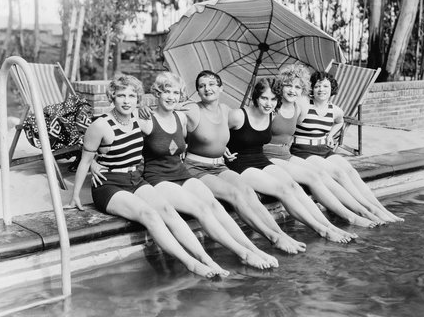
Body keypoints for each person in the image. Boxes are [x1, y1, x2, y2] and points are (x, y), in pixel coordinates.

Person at [66, 74, 228, 278]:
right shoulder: (101, 125)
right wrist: (76, 194)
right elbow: (85, 157)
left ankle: (206, 259)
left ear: (138, 99)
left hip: (135, 178)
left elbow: (166, 115)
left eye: (132, 96)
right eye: (121, 95)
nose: (126, 101)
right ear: (112, 97)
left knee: (168, 210)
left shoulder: (139, 118)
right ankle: (191, 264)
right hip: (109, 185)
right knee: (149, 215)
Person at [135, 72, 277, 269]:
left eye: (175, 92)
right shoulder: (146, 119)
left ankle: (253, 248)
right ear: (157, 93)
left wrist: (222, 146)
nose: (171, 96)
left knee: (215, 206)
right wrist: (96, 163)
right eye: (166, 92)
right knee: (201, 209)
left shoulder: (181, 118)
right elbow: (118, 132)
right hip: (158, 177)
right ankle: (241, 253)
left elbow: (202, 133)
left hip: (181, 173)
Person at [179, 70, 306, 254]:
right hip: (196, 167)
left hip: (220, 165)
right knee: (235, 194)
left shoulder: (225, 110)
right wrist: (146, 109)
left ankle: (280, 234)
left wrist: (224, 147)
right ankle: (271, 238)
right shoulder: (193, 108)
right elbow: (171, 108)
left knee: (248, 192)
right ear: (197, 91)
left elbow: (226, 135)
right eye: (202, 85)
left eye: (212, 84)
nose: (207, 88)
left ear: (221, 88)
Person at [226, 77, 356, 244]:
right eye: (264, 98)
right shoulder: (238, 115)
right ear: (255, 97)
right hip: (240, 163)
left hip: (261, 159)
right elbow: (216, 135)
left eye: (273, 99)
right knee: (282, 190)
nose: (268, 103)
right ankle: (321, 230)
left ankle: (329, 225)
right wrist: (222, 149)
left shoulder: (271, 115)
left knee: (294, 186)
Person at [263, 64, 385, 227]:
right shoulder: (276, 106)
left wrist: (329, 135)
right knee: (323, 175)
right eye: (288, 85)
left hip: (290, 153)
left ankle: (371, 209)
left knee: (341, 172)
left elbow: (337, 121)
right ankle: (355, 214)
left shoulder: (298, 108)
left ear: (303, 90)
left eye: (297, 87)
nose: (293, 90)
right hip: (283, 153)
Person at [290, 70, 404, 223]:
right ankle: (367, 209)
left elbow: (340, 122)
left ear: (332, 89)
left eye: (325, 86)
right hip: (303, 151)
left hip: (324, 149)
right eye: (317, 86)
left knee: (350, 171)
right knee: (339, 173)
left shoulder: (335, 110)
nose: (321, 89)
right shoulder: (304, 104)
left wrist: (330, 135)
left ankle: (379, 208)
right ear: (312, 88)